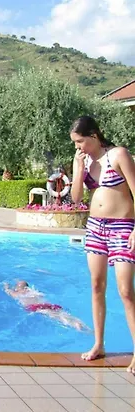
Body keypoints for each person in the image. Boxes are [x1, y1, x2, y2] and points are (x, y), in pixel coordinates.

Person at [70, 116, 135, 371]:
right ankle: (99, 344)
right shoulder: (83, 161)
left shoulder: (118, 155)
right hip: (95, 228)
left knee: (125, 291)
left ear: (94, 136)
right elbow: (76, 198)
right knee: (97, 285)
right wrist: (78, 170)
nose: (78, 147)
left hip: (122, 227)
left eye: (80, 141)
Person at [3, 280, 89, 332]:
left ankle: (77, 326)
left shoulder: (17, 294)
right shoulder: (32, 291)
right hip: (48, 304)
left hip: (36, 307)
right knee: (64, 315)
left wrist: (6, 286)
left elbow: (8, 291)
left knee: (57, 317)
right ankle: (83, 326)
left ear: (16, 288)